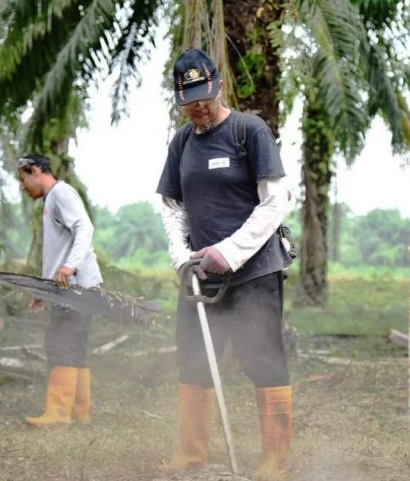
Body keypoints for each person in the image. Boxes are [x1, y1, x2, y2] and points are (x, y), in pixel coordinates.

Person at [156, 48, 294, 481]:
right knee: (194, 359)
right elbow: (172, 206)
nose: (198, 107)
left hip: (254, 271)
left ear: (217, 86)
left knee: (263, 360)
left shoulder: (248, 131)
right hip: (201, 276)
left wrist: (229, 252)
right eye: (189, 101)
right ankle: (191, 453)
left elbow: (275, 203)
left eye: (203, 96)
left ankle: (276, 460)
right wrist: (182, 255)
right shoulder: (181, 142)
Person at [16, 153, 103, 427]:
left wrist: (70, 266)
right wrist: (45, 289)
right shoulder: (52, 199)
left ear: (36, 170)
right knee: (75, 347)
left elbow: (84, 228)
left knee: (59, 344)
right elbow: (57, 250)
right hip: (74, 286)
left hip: (74, 287)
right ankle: (79, 412)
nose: (22, 186)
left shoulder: (61, 194)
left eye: (23, 179)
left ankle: (59, 414)